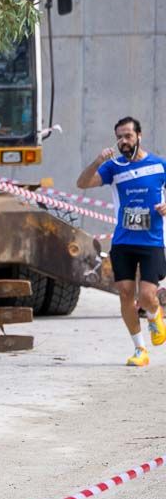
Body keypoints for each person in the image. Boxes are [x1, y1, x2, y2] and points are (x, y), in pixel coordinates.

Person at [77, 116, 166, 366]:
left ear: (139, 135)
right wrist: (98, 161)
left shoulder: (159, 165)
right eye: (119, 137)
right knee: (125, 293)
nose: (123, 141)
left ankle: (154, 314)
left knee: (148, 296)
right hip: (123, 241)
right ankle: (140, 350)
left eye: (127, 136)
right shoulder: (113, 167)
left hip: (152, 241)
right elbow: (82, 183)